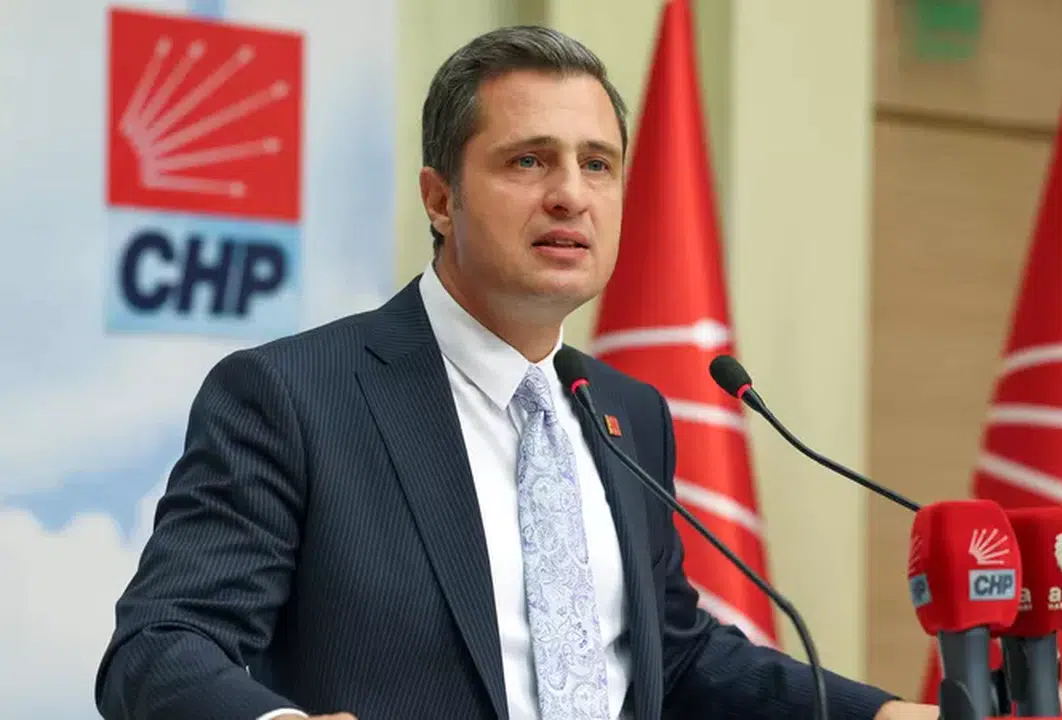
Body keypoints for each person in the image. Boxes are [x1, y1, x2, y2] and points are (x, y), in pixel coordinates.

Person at [94, 25, 938, 720]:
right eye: (529, 161)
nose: (571, 195)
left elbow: (673, 658)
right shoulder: (293, 397)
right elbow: (161, 643)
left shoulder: (628, 413)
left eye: (597, 164)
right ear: (440, 198)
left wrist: (881, 715)